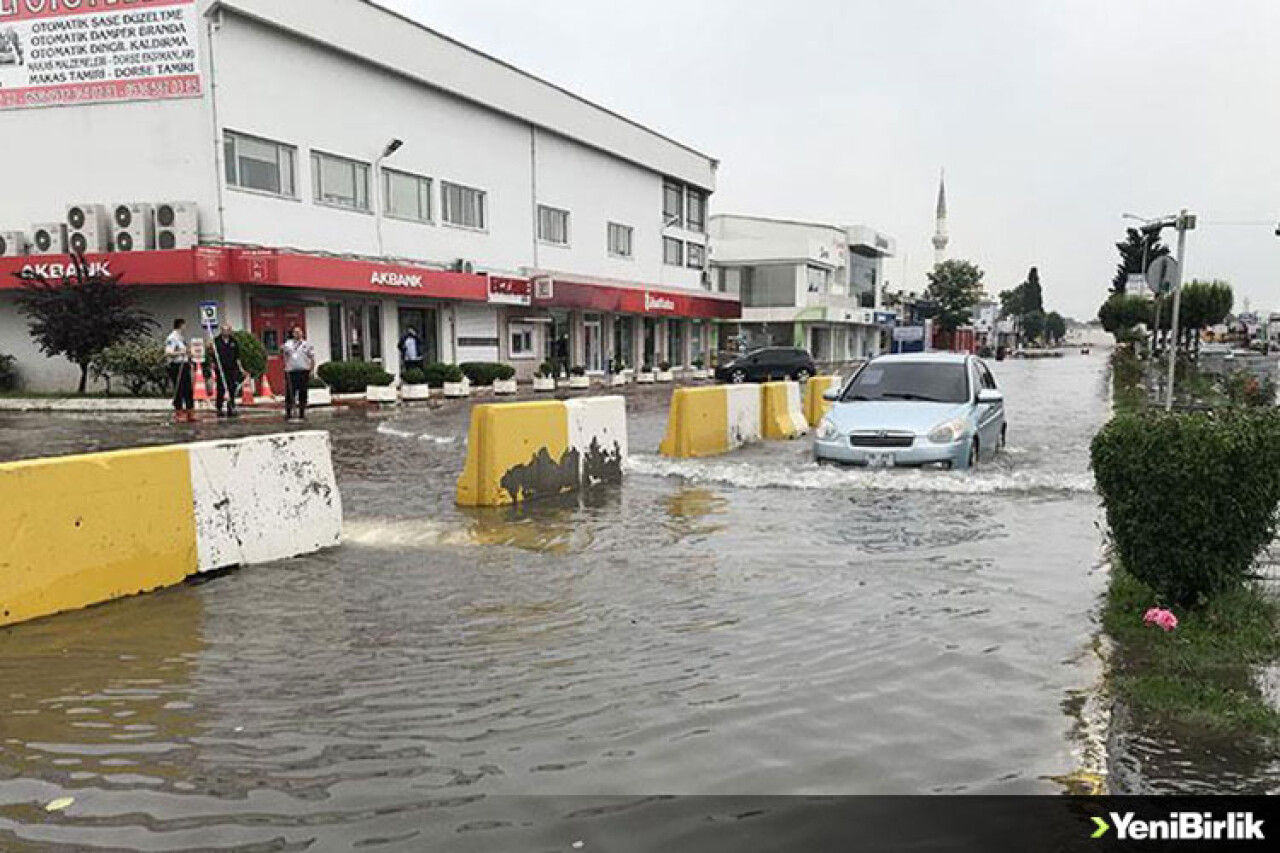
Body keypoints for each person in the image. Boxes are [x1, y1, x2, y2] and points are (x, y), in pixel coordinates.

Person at [281, 325, 315, 421]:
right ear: (292, 334)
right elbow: (284, 353)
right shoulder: (288, 344)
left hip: (303, 371)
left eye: (299, 332)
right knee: (290, 392)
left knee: (303, 392)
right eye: (295, 332)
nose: (298, 334)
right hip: (291, 372)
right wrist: (282, 350)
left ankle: (302, 413)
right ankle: (288, 413)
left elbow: (312, 358)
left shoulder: (307, 344)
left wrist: (311, 370)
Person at [164, 319, 195, 422]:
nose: (185, 327)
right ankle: (179, 412)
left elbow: (184, 350)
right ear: (181, 325)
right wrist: (180, 353)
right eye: (184, 325)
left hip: (184, 364)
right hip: (177, 365)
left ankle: (190, 412)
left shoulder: (181, 337)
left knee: (188, 389)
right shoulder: (172, 337)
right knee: (179, 389)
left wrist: (188, 353)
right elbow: (168, 353)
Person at [212, 324, 244, 419]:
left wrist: (241, 368)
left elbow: (237, 357)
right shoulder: (216, 341)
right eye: (224, 330)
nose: (226, 332)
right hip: (220, 369)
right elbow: (212, 355)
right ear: (221, 331)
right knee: (221, 388)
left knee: (231, 388)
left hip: (231, 368)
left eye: (228, 330)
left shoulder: (234, 341)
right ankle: (219, 408)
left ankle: (231, 407)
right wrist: (213, 364)